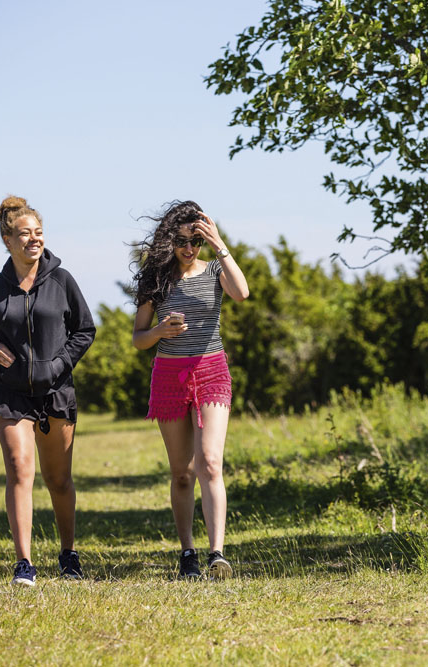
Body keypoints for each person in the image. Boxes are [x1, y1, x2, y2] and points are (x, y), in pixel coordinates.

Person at [0, 195, 96, 586]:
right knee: (20, 469)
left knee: (58, 480)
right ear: (8, 240)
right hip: (10, 393)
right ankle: (24, 563)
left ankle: (68, 553)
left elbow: (85, 330)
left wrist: (58, 364)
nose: (33, 240)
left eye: (38, 233)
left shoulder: (62, 280)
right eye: (25, 234)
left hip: (55, 391)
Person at [132, 200, 250, 580]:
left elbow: (242, 294)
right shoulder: (155, 278)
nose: (188, 249)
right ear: (170, 241)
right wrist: (159, 333)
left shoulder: (216, 268)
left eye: (195, 241)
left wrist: (220, 245)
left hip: (212, 370)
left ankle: (217, 553)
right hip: (169, 374)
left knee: (210, 463)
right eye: (182, 241)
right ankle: (188, 554)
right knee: (182, 472)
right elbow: (138, 339)